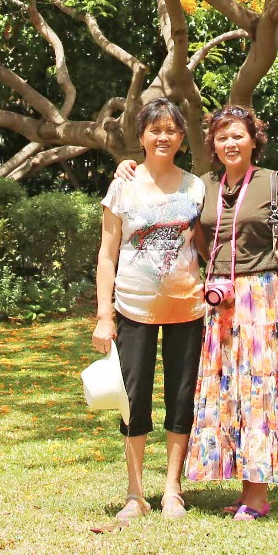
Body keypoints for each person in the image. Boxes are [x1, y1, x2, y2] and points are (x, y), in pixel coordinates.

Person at [189, 106, 278, 521]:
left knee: (258, 387)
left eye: (238, 135)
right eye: (222, 137)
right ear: (213, 145)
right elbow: (195, 230)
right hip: (220, 300)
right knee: (227, 388)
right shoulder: (204, 185)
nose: (230, 143)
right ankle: (245, 486)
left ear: (254, 139)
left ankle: (257, 496)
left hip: (263, 295)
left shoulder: (273, 183)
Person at [93, 99, 207, 522]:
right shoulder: (122, 185)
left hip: (188, 309)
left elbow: (205, 245)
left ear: (181, 137)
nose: (164, 137)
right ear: (140, 136)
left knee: (181, 398)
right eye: (155, 130)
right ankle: (135, 494)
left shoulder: (196, 187)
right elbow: (107, 255)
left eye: (172, 130)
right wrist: (105, 314)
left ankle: (173, 490)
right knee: (133, 400)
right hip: (133, 310)